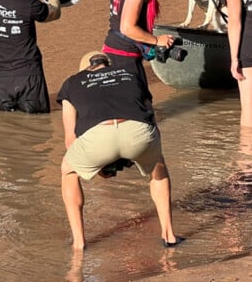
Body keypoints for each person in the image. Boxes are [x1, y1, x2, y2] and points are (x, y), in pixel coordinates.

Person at [57, 51, 181, 250]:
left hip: (99, 137)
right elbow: (151, 119)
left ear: (84, 69)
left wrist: (97, 166)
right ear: (109, 64)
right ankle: (169, 235)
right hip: (137, 132)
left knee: (68, 171)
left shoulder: (71, 83)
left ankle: (79, 242)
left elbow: (70, 141)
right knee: (158, 164)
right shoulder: (131, 73)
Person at [101, 0, 175, 98]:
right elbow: (127, 27)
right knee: (140, 106)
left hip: (115, 49)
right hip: (124, 54)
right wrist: (157, 40)